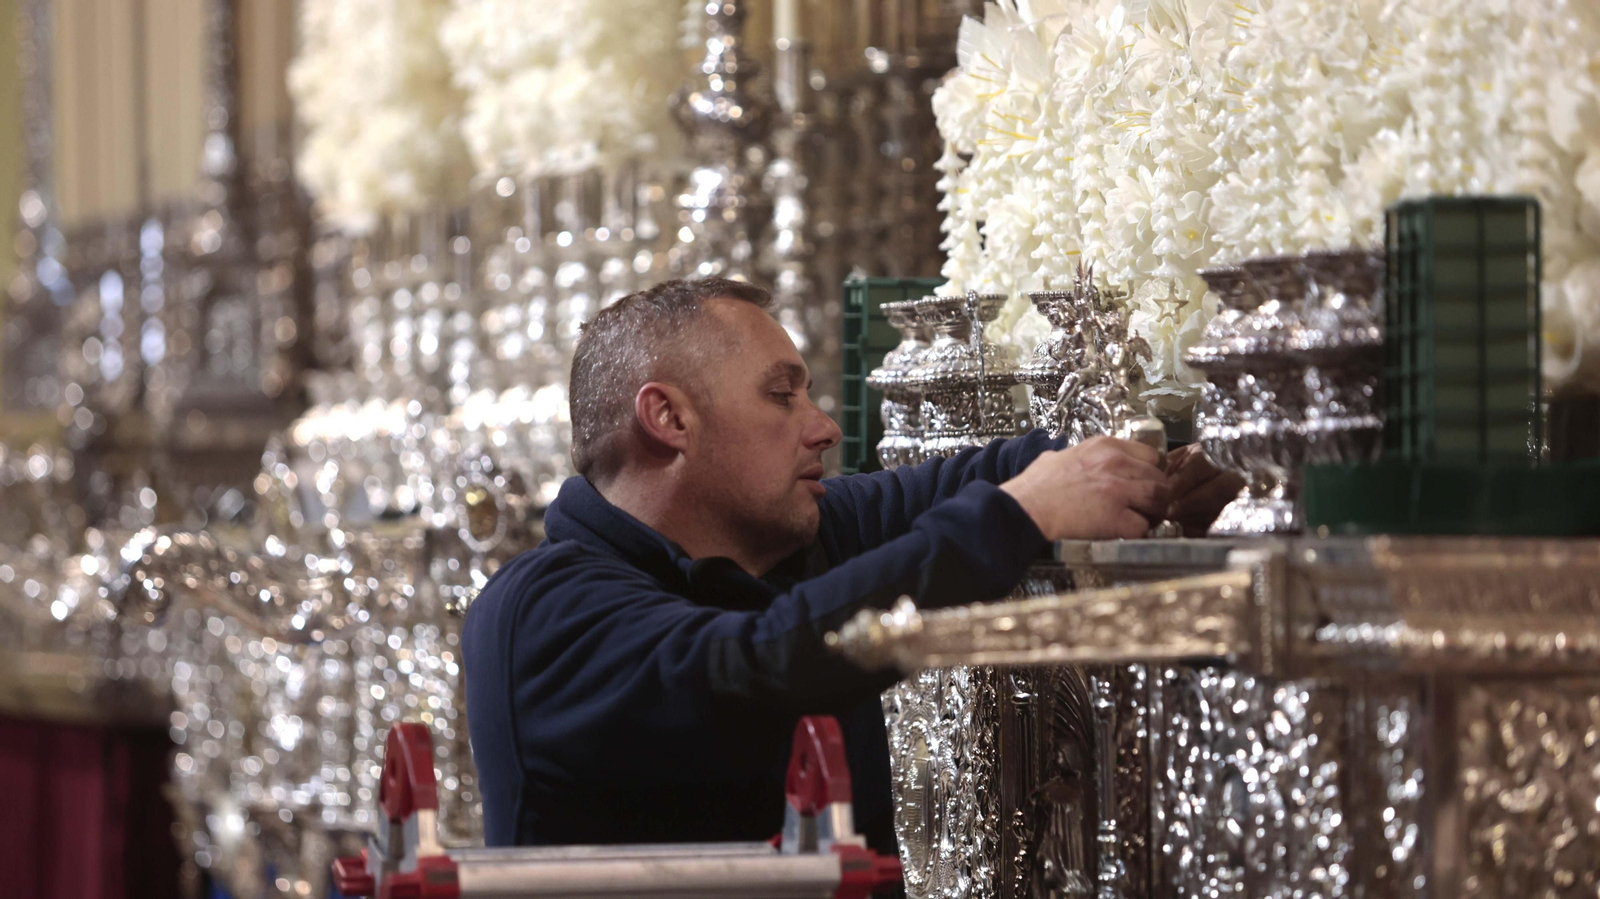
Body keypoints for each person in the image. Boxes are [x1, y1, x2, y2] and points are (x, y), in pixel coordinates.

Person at [462, 278, 1240, 851]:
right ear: (669, 417)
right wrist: (1020, 514)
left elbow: (977, 479)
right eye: (783, 396)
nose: (825, 427)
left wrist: (1143, 465)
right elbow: (757, 665)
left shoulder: (786, 533)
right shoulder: (540, 612)